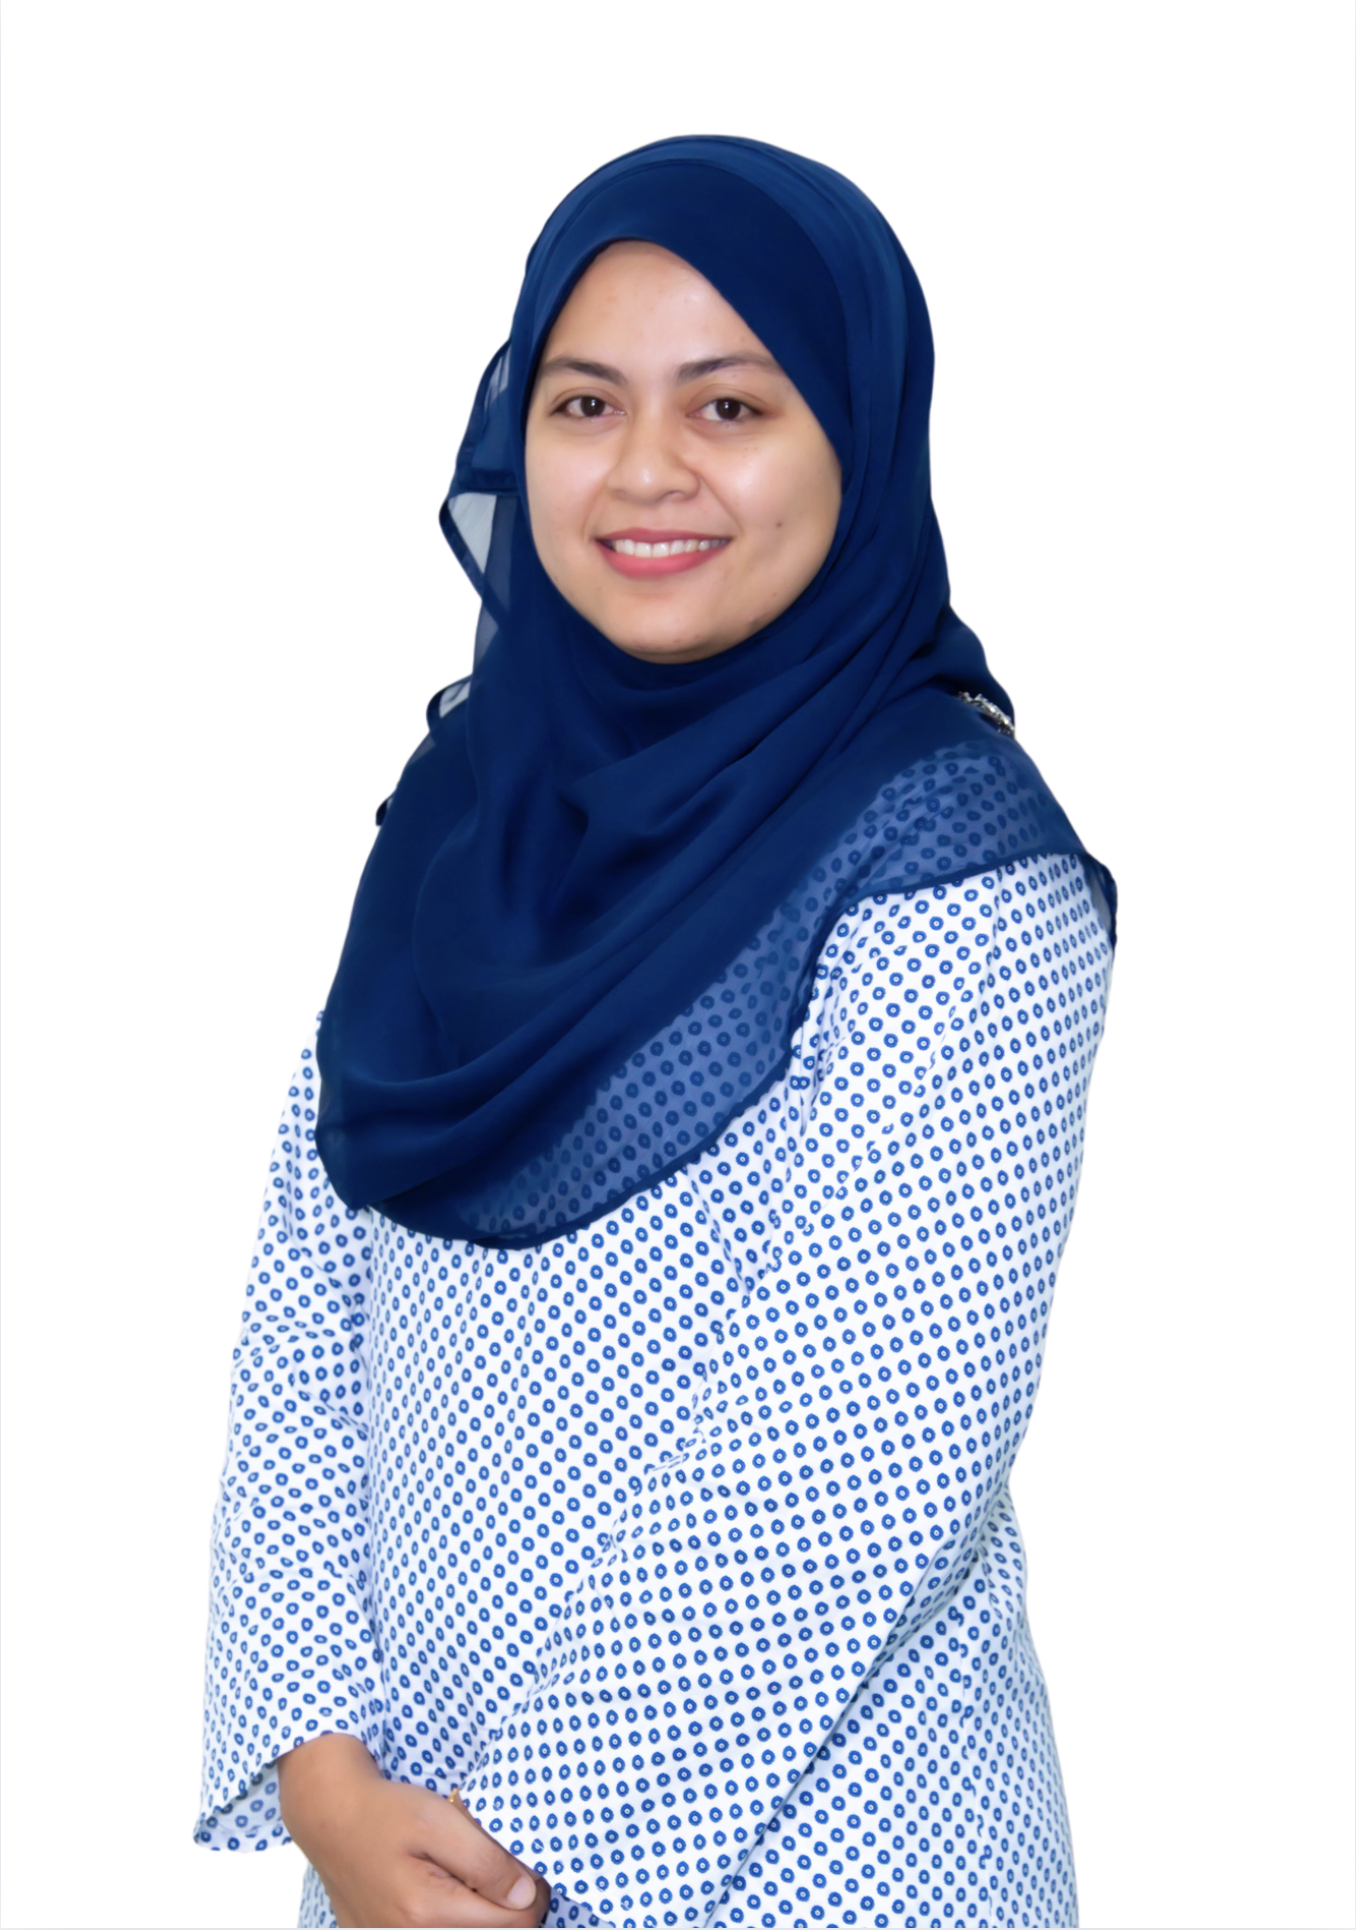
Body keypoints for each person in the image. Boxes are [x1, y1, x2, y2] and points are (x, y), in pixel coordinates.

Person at [196, 135, 1117, 1930]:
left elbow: (859, 1447)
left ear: (859, 433)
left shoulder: (952, 853)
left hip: (824, 1861)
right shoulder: (467, 813)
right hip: (398, 1855)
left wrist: (506, 1863)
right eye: (585, 401)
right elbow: (308, 1302)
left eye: (731, 406)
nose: (641, 470)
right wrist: (319, 1770)